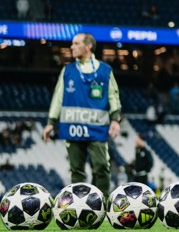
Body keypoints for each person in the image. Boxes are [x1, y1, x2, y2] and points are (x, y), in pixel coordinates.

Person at [42, 33, 121, 195]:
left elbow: (113, 95)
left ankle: (102, 203)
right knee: (76, 170)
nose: (72, 47)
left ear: (88, 46)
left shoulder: (105, 71)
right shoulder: (68, 70)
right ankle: (78, 205)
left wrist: (115, 119)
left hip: (97, 128)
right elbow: (58, 97)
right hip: (72, 128)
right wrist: (51, 122)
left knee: (101, 167)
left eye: (76, 43)